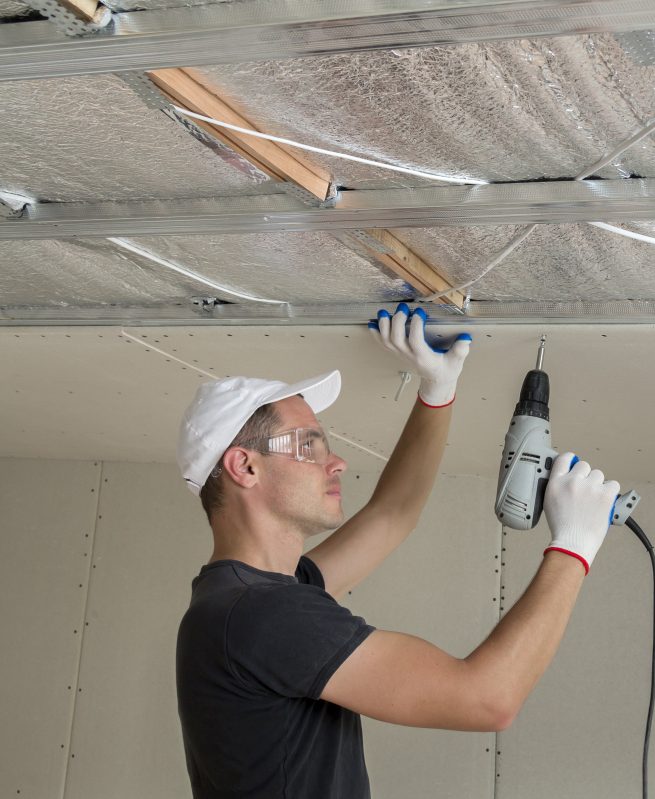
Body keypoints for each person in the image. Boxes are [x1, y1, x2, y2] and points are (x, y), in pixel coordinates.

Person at [174, 304, 620, 798]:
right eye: (309, 445)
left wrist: (437, 392)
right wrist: (573, 547)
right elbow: (488, 699)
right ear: (245, 467)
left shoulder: (245, 600)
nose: (337, 462)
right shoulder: (261, 614)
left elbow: (392, 515)